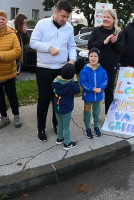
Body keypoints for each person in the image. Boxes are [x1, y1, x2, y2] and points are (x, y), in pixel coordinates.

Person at [30, 0, 77, 142]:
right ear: (55, 12)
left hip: (61, 68)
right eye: (63, 16)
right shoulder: (42, 24)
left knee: (58, 98)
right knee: (44, 98)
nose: (65, 20)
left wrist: (72, 60)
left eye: (67, 17)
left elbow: (72, 46)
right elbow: (33, 42)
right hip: (44, 67)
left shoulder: (69, 28)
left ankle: (56, 124)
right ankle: (41, 128)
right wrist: (48, 48)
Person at [88, 9, 124, 115]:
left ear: (113, 19)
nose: (105, 19)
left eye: (108, 17)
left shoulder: (119, 32)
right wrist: (104, 42)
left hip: (111, 65)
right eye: (104, 17)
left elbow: (121, 50)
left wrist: (115, 42)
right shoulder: (97, 30)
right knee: (96, 89)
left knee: (108, 90)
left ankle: (108, 115)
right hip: (97, 66)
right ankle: (95, 115)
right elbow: (90, 45)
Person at [79, 48, 108, 139]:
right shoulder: (84, 71)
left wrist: (100, 88)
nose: (93, 58)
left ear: (98, 58)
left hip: (98, 97)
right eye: (91, 56)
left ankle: (96, 127)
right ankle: (87, 128)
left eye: (95, 56)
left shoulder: (102, 71)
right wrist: (92, 89)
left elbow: (105, 80)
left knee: (96, 113)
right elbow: (83, 83)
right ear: (89, 57)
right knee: (87, 113)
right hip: (88, 96)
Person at [0, 10, 22, 129]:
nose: (0, 21)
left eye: (3, 19)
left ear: (6, 20)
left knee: (12, 95)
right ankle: (4, 117)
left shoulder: (12, 34)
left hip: (9, 72)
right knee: (0, 98)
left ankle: (16, 116)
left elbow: (17, 52)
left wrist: (1, 56)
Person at [51, 63, 80, 150]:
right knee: (66, 126)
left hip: (57, 108)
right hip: (66, 109)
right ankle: (67, 143)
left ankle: (59, 139)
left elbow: (57, 79)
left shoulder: (55, 81)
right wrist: (75, 79)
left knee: (60, 124)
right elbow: (77, 89)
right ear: (72, 75)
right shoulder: (70, 85)